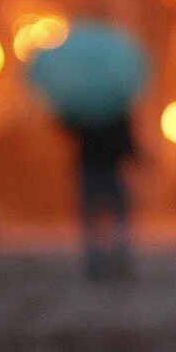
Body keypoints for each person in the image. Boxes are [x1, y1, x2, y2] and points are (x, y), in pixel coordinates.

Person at [69, 111, 136, 281]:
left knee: (93, 217)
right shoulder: (116, 113)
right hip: (107, 169)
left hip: (92, 169)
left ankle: (97, 262)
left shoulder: (86, 111)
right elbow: (127, 142)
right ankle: (117, 260)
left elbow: (69, 131)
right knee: (117, 215)